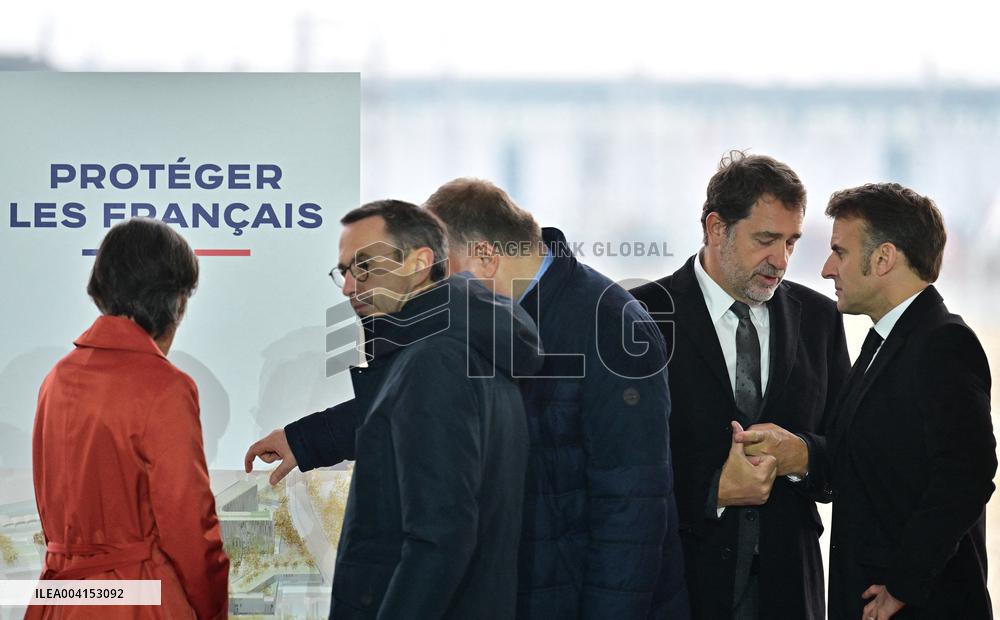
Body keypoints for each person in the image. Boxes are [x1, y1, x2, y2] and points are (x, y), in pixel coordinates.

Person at [246, 200, 540, 619]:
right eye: (345, 271)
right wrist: (304, 439)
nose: (349, 287)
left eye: (364, 267)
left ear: (419, 263)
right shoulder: (457, 343)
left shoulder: (436, 360)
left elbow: (440, 539)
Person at [425, 178, 689, 619]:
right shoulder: (487, 315)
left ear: (487, 257)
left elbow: (632, 512)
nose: (435, 286)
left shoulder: (613, 326)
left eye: (442, 268)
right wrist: (308, 440)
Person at [631, 151, 850, 619]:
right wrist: (711, 492)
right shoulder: (638, 315)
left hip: (790, 591)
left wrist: (804, 456)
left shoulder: (820, 320)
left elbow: (852, 452)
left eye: (791, 242)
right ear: (715, 228)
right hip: (679, 588)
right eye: (766, 240)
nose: (781, 260)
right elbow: (614, 468)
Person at [29, 218, 229, 620]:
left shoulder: (57, 378)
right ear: (176, 301)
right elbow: (191, 528)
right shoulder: (165, 386)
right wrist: (212, 612)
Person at [821, 183, 996, 620]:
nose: (827, 269)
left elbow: (967, 474)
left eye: (839, 252)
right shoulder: (885, 340)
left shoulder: (944, 342)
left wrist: (903, 585)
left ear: (883, 259)